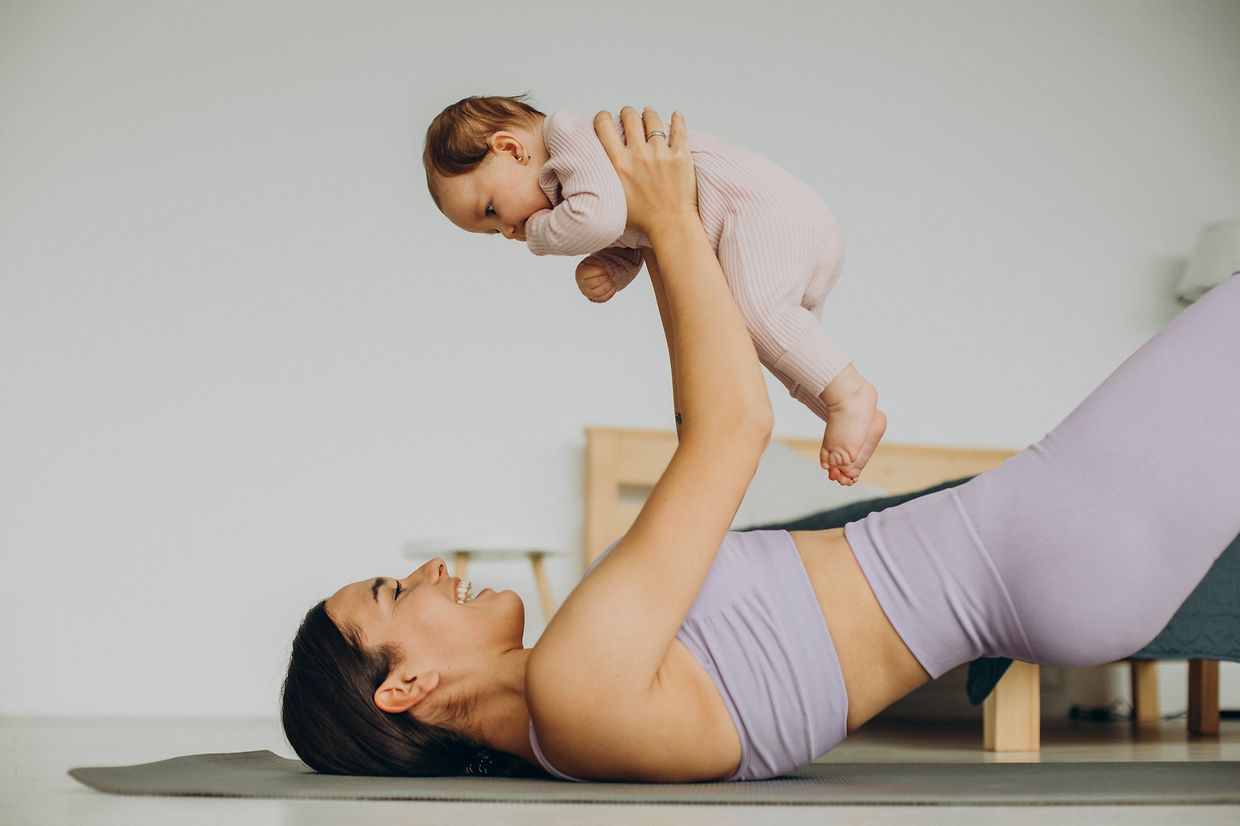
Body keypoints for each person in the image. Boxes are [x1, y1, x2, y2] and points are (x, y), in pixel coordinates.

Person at [282, 107, 1240, 782]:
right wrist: (659, 216)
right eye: (395, 593)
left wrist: (669, 238)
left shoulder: (575, 711)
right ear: (405, 685)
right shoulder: (575, 690)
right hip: (1043, 539)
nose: (430, 572)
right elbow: (734, 427)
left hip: (1041, 551)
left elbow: (708, 414)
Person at [422, 95, 884, 485]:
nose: (506, 231)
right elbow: (637, 228)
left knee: (756, 314)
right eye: (491, 232)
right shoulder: (576, 183)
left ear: (510, 148)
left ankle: (849, 395)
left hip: (766, 212)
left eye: (490, 209)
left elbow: (600, 217)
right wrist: (613, 266)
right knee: (761, 340)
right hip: (777, 226)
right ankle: (843, 412)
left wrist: (541, 235)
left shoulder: (571, 141)